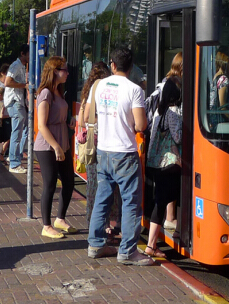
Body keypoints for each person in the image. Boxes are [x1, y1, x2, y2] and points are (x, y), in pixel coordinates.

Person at [86, 47, 153, 266]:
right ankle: (127, 252)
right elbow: (141, 125)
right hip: (125, 153)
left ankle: (95, 244)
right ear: (131, 66)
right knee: (130, 203)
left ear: (112, 65)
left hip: (104, 151)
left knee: (102, 200)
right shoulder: (135, 90)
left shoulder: (98, 85)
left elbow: (90, 114)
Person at [77, 61, 122, 241]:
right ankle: (102, 228)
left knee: (92, 188)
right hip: (103, 144)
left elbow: (82, 120)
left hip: (90, 145)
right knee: (105, 189)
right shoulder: (104, 91)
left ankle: (92, 224)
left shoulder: (87, 93)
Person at [35, 56, 77, 239]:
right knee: (50, 184)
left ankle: (60, 218)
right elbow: (42, 125)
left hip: (62, 142)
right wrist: (56, 147)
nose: (67, 73)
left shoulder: (59, 92)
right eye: (64, 70)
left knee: (69, 181)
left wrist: (69, 121)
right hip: (47, 146)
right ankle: (46, 225)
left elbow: (59, 116)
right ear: (54, 71)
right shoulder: (45, 93)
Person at [144, 76, 183, 259]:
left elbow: (153, 139)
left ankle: (152, 243)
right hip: (170, 164)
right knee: (168, 200)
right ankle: (152, 245)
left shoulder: (159, 112)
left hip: (157, 163)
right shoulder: (174, 113)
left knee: (160, 200)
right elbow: (178, 137)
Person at [4, 44, 30, 173]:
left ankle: (15, 156)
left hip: (18, 102)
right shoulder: (16, 65)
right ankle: (14, 163)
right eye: (29, 53)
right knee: (17, 132)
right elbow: (7, 82)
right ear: (22, 53)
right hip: (15, 102)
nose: (31, 57)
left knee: (23, 130)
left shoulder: (21, 66)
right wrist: (24, 85)